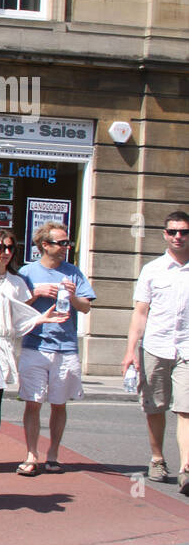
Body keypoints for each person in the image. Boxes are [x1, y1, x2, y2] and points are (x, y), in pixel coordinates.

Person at [0, 230, 68, 477]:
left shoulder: (17, 282)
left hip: (2, 344)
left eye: (10, 248)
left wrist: (42, 318)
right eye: (0, 248)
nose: (5, 253)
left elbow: (19, 317)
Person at [17, 221, 97, 475]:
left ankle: (53, 453)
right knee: (32, 402)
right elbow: (15, 305)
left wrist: (72, 297)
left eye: (67, 242)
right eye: (61, 243)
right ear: (44, 245)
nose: (66, 247)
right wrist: (36, 291)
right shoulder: (27, 272)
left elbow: (86, 307)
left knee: (59, 403)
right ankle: (31, 455)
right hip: (35, 344)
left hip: (65, 346)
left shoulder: (73, 272)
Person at [121, 211, 189, 494]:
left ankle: (186, 468)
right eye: (173, 231)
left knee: (186, 408)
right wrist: (130, 351)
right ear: (164, 234)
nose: (178, 237)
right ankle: (158, 458)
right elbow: (140, 313)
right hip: (156, 346)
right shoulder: (152, 270)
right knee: (155, 407)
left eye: (184, 232)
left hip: (187, 348)